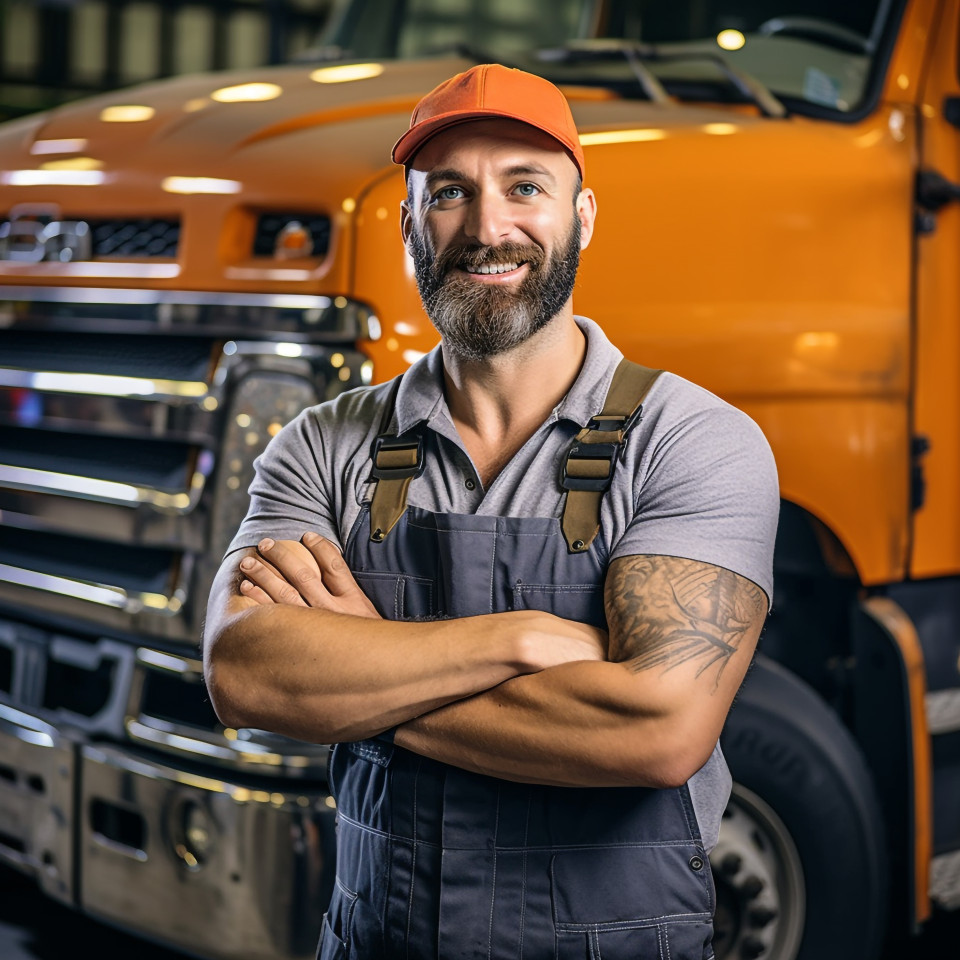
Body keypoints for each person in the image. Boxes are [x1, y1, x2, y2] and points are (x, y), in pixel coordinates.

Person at [203, 63, 779, 960]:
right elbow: (244, 675)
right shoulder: (325, 442)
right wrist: (515, 638)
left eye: (524, 186)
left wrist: (359, 673)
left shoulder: (694, 440)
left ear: (582, 216)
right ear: (407, 227)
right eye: (449, 193)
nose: (486, 227)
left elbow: (661, 730)